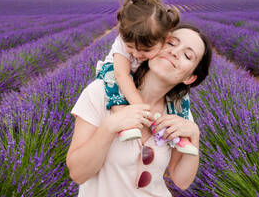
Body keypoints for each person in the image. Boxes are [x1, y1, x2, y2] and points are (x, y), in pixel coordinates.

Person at [66, 23, 213, 197]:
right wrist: (110, 126)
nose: (174, 52)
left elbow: (182, 181)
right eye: (171, 43)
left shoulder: (180, 113)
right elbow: (77, 174)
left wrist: (194, 136)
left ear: (189, 78)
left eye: (187, 56)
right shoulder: (102, 93)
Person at [95, 0, 180, 142]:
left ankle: (174, 128)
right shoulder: (122, 44)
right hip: (116, 72)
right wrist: (139, 106)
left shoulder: (164, 42)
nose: (136, 54)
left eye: (146, 50)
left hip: (137, 74)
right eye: (130, 47)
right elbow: (122, 75)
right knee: (114, 86)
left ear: (165, 39)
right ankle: (125, 124)